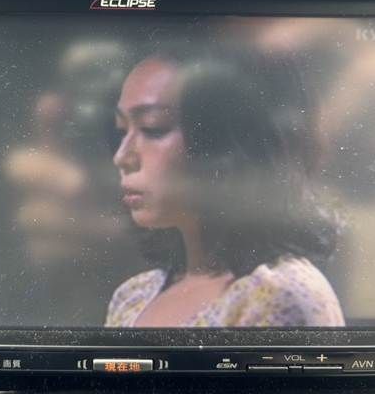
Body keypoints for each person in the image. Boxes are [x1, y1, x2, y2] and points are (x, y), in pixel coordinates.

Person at [105, 54, 345, 327]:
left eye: (153, 127)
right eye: (122, 130)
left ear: (225, 144)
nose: (122, 157)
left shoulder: (274, 296)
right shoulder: (132, 296)